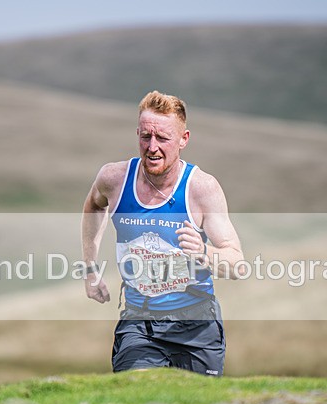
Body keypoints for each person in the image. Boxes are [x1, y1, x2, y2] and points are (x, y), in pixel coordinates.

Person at [81, 90, 244, 376]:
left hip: (196, 328)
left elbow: (237, 264)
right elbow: (94, 205)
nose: (152, 147)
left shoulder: (201, 189)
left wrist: (204, 252)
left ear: (184, 139)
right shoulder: (114, 179)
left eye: (163, 138)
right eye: (145, 136)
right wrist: (90, 268)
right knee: (137, 400)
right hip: (138, 324)